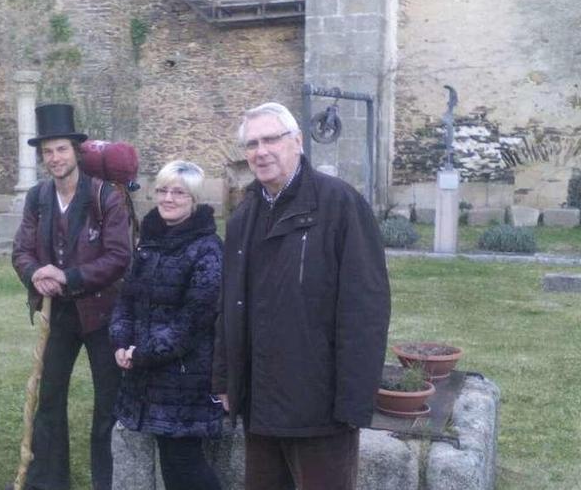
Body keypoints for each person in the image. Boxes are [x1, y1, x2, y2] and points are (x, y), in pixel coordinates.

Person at [211, 102, 391, 490]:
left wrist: (355, 400)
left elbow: (366, 307)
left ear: (296, 142)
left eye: (271, 139)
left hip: (319, 402)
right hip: (259, 399)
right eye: (252, 144)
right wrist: (226, 379)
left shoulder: (339, 204)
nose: (261, 151)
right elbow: (230, 305)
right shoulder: (244, 217)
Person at [11, 103, 132, 490]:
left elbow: (118, 257)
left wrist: (68, 275)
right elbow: (21, 251)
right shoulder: (38, 197)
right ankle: (48, 481)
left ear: (76, 151)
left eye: (61, 149)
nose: (55, 158)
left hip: (103, 313)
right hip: (57, 314)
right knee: (48, 399)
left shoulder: (105, 197)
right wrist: (35, 275)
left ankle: (108, 481)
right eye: (47, 151)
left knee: (108, 404)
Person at [109, 160, 223, 490]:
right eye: (162, 190)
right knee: (173, 463)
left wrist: (141, 352)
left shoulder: (207, 250)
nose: (168, 198)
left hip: (185, 377)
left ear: (195, 200)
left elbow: (193, 321)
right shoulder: (149, 243)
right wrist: (120, 342)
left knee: (185, 462)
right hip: (148, 372)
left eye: (179, 192)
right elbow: (126, 300)